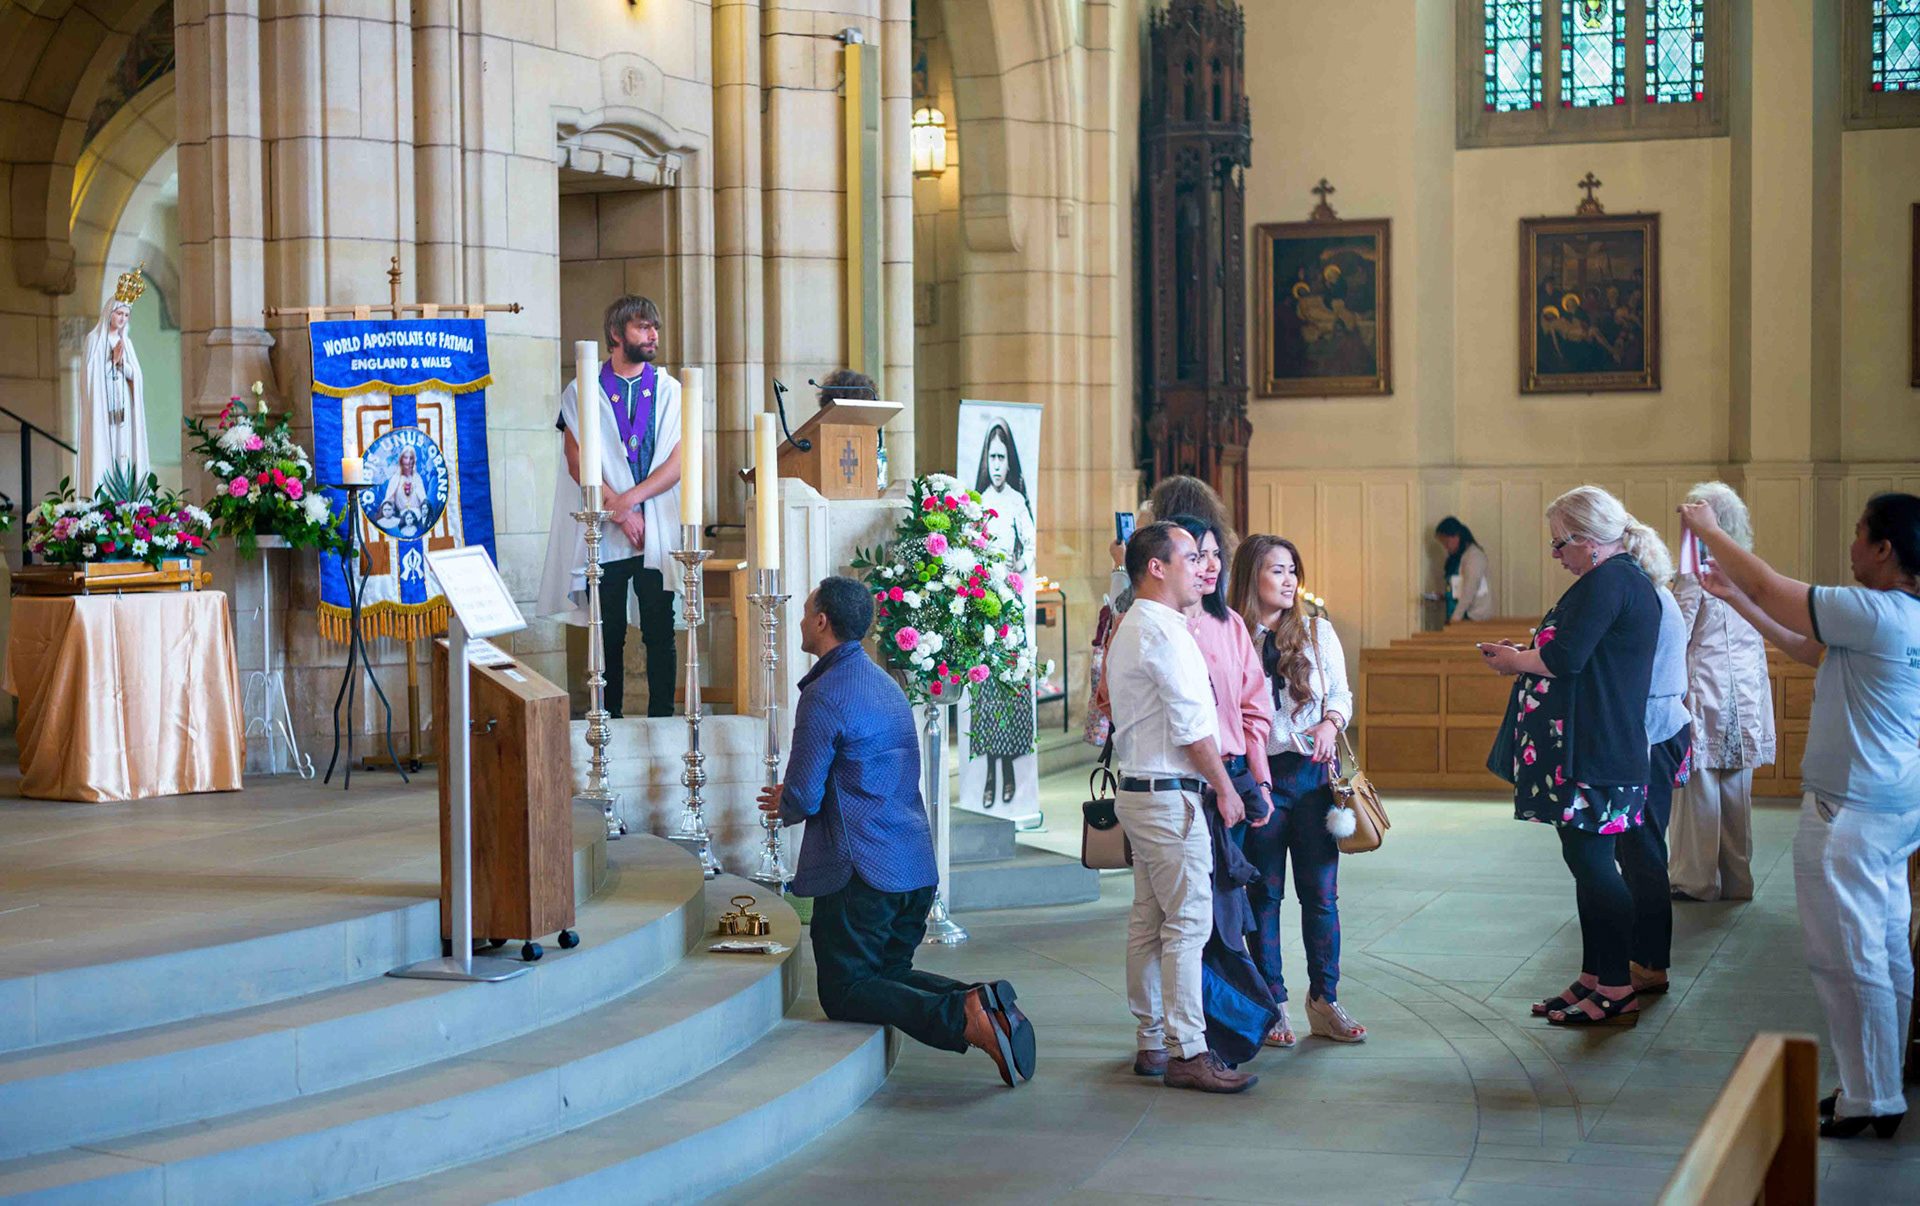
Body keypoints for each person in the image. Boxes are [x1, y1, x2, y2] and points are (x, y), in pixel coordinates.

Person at [1679, 493, 1920, 1140]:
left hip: (1850, 806)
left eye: (1858, 534)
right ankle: (1880, 1080)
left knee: (1846, 954)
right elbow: (1806, 648)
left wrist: (1707, 530)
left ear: (1884, 549)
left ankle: (1870, 1099)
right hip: (1896, 804)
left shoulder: (1869, 609)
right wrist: (1733, 600)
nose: (1851, 547)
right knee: (1888, 947)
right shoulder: (1900, 617)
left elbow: (1769, 581)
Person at [756, 576, 1037, 1086]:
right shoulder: (888, 685)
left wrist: (784, 803)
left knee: (844, 991)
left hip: (861, 873)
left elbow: (804, 793)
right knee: (888, 977)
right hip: (912, 866)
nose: (800, 620)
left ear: (822, 621)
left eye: (804, 612)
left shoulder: (824, 694)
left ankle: (965, 1017)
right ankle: (982, 1002)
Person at [1480, 486, 1664, 1028]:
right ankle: (1593, 977)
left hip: (1596, 750)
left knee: (1595, 868)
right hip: (1589, 746)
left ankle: (1615, 987)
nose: (1555, 555)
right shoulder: (1609, 579)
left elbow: (1566, 657)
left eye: (1560, 544)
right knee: (1585, 866)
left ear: (1589, 541)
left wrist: (1516, 662)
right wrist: (1524, 656)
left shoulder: (1611, 581)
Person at [1104, 521, 1260, 1093]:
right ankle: (1190, 1051)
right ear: (1158, 567)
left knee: (1148, 923)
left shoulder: (1137, 624)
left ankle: (1151, 1041)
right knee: (1188, 925)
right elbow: (1195, 730)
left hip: (1145, 792)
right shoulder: (1162, 632)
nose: (1203, 568)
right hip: (1171, 797)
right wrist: (1225, 787)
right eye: (1191, 557)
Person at [1227, 534, 1366, 1047]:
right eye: (1277, 571)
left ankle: (1324, 1000)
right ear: (1250, 577)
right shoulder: (1231, 633)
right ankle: (1273, 1003)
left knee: (1321, 896)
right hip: (1257, 782)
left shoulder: (1315, 629)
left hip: (1312, 781)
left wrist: (1331, 721)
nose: (1289, 581)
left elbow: (1343, 692)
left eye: (1292, 571)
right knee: (1263, 896)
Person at [536, 295, 683, 718]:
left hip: (655, 524)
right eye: (642, 327)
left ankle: (662, 720)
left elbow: (678, 462)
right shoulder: (584, 388)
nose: (653, 334)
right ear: (617, 335)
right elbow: (576, 458)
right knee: (609, 630)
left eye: (654, 326)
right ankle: (610, 720)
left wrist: (631, 504)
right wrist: (617, 512)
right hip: (606, 527)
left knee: (660, 628)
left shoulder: (670, 390)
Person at [1669, 482, 1775, 902]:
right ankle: (1737, 881)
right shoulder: (1751, 569)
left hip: (1704, 689)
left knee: (1698, 790)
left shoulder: (1697, 573)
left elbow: (1677, 634)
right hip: (1744, 693)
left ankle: (1694, 881)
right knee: (1735, 790)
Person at [1611, 524, 1689, 999]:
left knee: (1642, 850)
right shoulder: (1656, 595)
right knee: (1636, 849)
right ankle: (1643, 955)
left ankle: (1651, 962)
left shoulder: (1647, 601)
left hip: (1653, 731)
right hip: (1659, 727)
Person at [971, 420, 1037, 807]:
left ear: (1010, 461)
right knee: (987, 694)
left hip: (1010, 613)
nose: (996, 464)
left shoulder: (1015, 501)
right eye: (991, 457)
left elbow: (1028, 544)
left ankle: (1008, 772)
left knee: (1010, 693)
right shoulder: (978, 500)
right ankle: (990, 774)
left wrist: (1019, 561)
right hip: (984, 608)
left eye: (1002, 457)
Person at [79, 283, 149, 495]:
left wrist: (121, 364)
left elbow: (136, 375)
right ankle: (103, 498)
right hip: (103, 407)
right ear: (109, 312)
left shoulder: (125, 342)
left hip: (123, 406)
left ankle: (123, 497)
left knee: (123, 449)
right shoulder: (94, 340)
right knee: (105, 449)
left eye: (126, 315)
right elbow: (90, 379)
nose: (122, 319)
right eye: (119, 313)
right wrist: (112, 362)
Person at [1435, 517, 1494, 622]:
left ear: (1456, 537)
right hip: (1460, 614)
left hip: (1472, 617)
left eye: (1446, 542)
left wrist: (1455, 618)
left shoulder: (1474, 556)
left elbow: (1470, 589)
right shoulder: (1459, 556)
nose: (1445, 547)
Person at [372, 445, 435, 535]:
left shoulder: (417, 478)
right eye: (406, 457)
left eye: (411, 458)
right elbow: (388, 500)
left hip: (417, 517)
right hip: (400, 519)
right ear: (401, 459)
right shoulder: (395, 479)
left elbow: (423, 500)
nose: (408, 461)